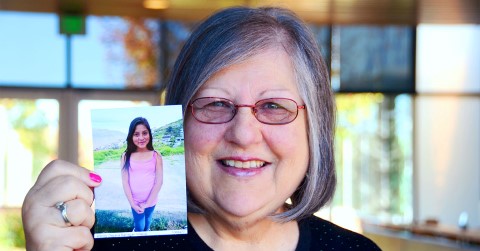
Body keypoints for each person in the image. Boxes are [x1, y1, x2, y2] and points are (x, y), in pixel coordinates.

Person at [21, 6, 381, 251]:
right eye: (215, 104)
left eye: (273, 106)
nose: (243, 134)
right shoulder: (104, 245)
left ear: (312, 129)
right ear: (180, 121)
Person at [120, 117, 163, 232]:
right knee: (139, 226)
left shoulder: (156, 155)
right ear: (131, 136)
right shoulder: (126, 156)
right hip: (136, 203)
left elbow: (159, 181)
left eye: (144, 133)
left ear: (149, 133)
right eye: (136, 134)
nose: (141, 138)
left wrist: (148, 203)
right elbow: (125, 181)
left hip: (151, 201)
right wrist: (132, 204)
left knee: (148, 221)